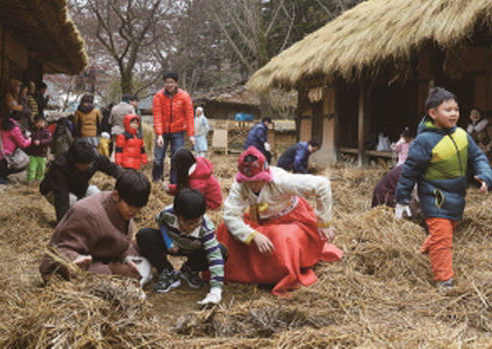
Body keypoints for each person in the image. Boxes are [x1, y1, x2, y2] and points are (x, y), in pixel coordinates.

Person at [395, 87, 492, 288]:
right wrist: (402, 197)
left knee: (447, 229)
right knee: (443, 237)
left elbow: (478, 157)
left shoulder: (462, 135)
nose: (454, 113)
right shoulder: (424, 141)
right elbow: (409, 171)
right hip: (434, 195)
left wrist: (485, 176)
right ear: (433, 113)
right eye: (447, 110)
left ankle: (425, 251)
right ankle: (444, 280)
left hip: (457, 195)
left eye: (456, 109)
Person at [215, 146, 342, 296]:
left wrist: (324, 222)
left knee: (284, 239)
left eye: (257, 181)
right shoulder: (240, 184)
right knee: (225, 229)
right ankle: (239, 272)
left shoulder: (281, 180)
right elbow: (231, 215)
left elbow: (322, 185)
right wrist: (253, 235)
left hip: (291, 219)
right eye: (248, 182)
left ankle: (281, 273)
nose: (252, 185)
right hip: (259, 218)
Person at [39, 169, 150, 282]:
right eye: (131, 206)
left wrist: (127, 259)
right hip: (70, 269)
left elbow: (120, 244)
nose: (134, 212)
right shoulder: (88, 214)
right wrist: (112, 271)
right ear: (116, 195)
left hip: (100, 261)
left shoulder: (123, 209)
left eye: (139, 208)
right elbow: (61, 251)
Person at [136, 189, 226, 305]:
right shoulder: (168, 213)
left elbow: (215, 257)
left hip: (194, 250)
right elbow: (161, 222)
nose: (192, 227)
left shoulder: (206, 229)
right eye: (188, 223)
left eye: (196, 222)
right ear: (176, 215)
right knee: (144, 235)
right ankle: (166, 272)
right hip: (172, 244)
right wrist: (168, 241)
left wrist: (215, 291)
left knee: (221, 252)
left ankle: (189, 269)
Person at [40, 139, 123, 223]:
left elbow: (112, 168)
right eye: (85, 165)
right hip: (52, 190)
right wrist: (62, 224)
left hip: (78, 185)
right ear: (74, 162)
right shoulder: (60, 167)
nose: (90, 166)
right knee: (76, 205)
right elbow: (61, 197)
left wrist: (128, 179)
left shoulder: (94, 157)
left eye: (91, 163)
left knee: (97, 196)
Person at [152, 72, 195, 184]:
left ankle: (174, 183)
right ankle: (157, 181)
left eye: (171, 82)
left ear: (176, 83)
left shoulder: (184, 96)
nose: (169, 85)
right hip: (163, 131)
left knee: (177, 158)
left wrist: (191, 134)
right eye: (166, 82)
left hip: (178, 131)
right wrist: (159, 134)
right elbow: (157, 115)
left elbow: (189, 115)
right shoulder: (158, 96)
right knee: (158, 158)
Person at [0, 112, 32, 185]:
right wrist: (29, 139)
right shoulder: (14, 128)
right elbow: (23, 144)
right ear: (20, 120)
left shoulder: (1, 123)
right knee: (24, 163)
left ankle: (1, 175)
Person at [26, 114, 53, 184]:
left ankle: (38, 180)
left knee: (41, 168)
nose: (39, 124)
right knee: (31, 167)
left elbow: (50, 140)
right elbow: (28, 139)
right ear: (34, 123)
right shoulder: (31, 131)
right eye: (37, 122)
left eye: (41, 122)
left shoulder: (47, 131)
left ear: (44, 122)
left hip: (42, 153)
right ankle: (30, 180)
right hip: (32, 153)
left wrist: (40, 142)